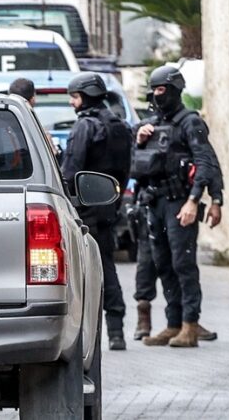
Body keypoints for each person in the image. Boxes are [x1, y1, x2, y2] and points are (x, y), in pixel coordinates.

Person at [134, 66, 223, 348]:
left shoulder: (190, 122)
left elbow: (206, 162)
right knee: (163, 264)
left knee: (183, 264)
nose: (158, 95)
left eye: (162, 90)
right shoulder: (150, 125)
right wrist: (140, 142)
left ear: (174, 91)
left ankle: (190, 324)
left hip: (180, 202)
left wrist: (197, 200)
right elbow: (137, 165)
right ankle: (173, 323)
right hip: (155, 203)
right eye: (154, 91)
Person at [60, 72, 134, 350]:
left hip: (85, 210)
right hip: (108, 207)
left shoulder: (85, 127)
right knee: (106, 266)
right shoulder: (121, 126)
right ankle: (116, 330)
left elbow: (70, 171)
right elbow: (125, 171)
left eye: (75, 97)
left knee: (82, 272)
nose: (72, 102)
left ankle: (82, 333)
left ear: (87, 96)